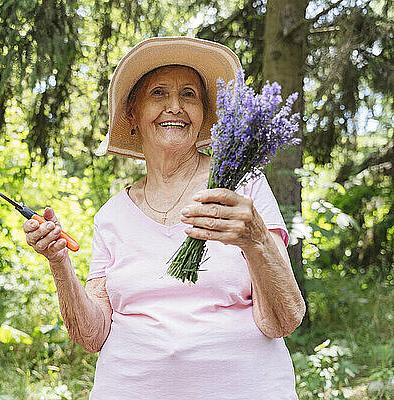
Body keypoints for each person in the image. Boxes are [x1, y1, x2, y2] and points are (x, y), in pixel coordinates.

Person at [23, 36, 306, 399]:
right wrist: (59, 262)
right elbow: (91, 336)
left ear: (203, 115)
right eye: (159, 93)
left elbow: (282, 319)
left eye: (189, 95)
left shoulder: (240, 188)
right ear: (133, 116)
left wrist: (256, 240)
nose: (175, 106)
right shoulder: (111, 216)